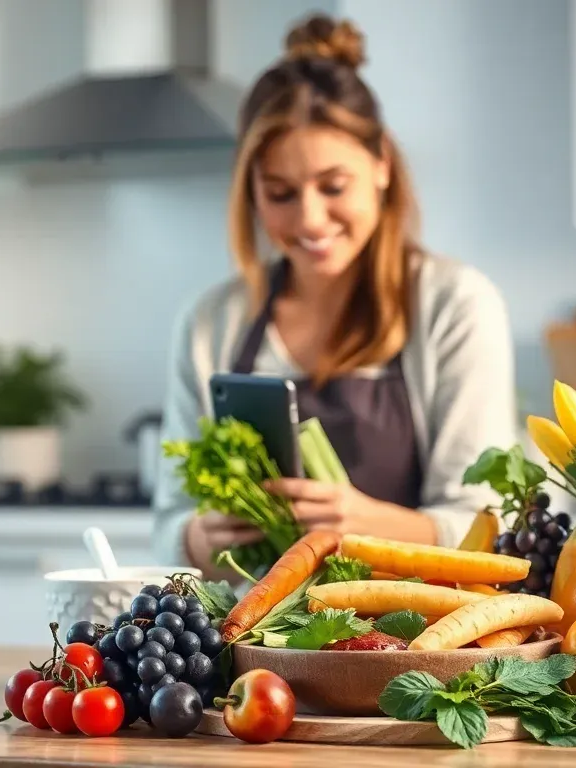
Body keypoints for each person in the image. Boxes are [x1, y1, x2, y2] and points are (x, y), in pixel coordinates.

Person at [150, 13, 517, 578]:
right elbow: (169, 525)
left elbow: (485, 526)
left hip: (421, 640)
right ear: (250, 193)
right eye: (280, 194)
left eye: (333, 186)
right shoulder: (211, 323)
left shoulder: (456, 305)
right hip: (256, 646)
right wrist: (199, 537)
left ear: (382, 166)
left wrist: (364, 523)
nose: (310, 219)